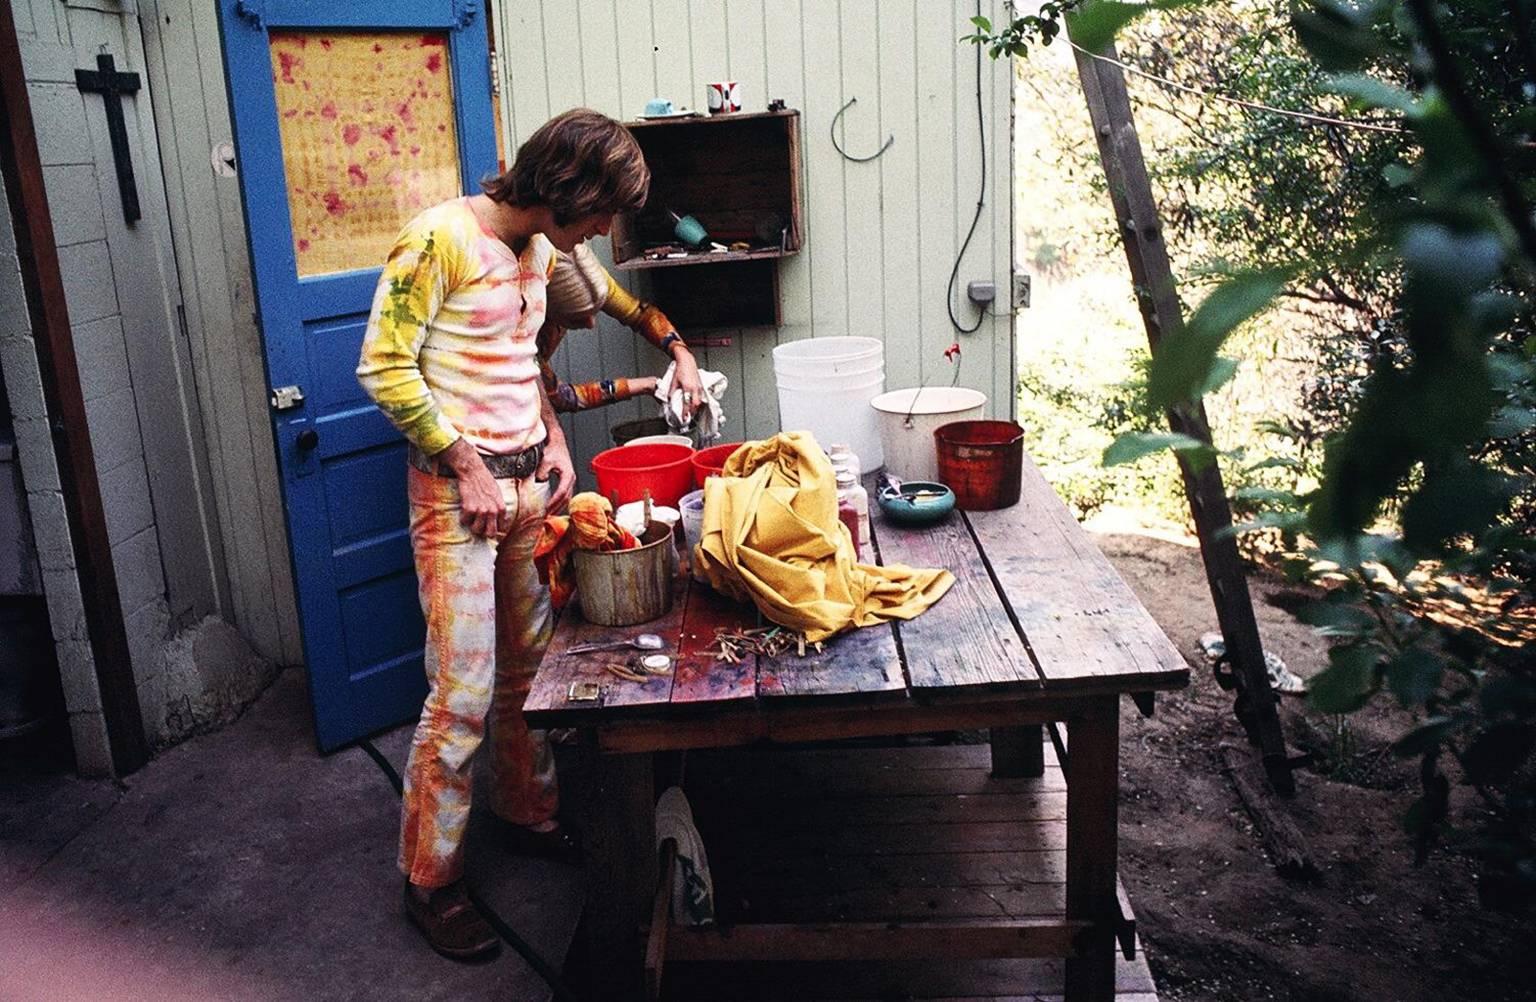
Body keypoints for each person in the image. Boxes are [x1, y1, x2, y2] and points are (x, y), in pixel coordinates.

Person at [356, 108, 650, 962]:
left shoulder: (538, 252)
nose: (603, 229)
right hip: (459, 498)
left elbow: (523, 363)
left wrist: (554, 441)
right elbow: (382, 365)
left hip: (526, 488)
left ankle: (527, 814)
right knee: (461, 696)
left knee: (530, 673)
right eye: (601, 211)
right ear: (569, 188)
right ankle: (430, 881)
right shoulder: (437, 239)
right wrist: (470, 467)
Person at [539, 242, 703, 417]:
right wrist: (647, 385)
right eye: (577, 317)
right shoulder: (522, 332)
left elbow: (643, 316)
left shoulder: (586, 279)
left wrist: (683, 355)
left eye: (597, 309)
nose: (591, 323)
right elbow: (561, 397)